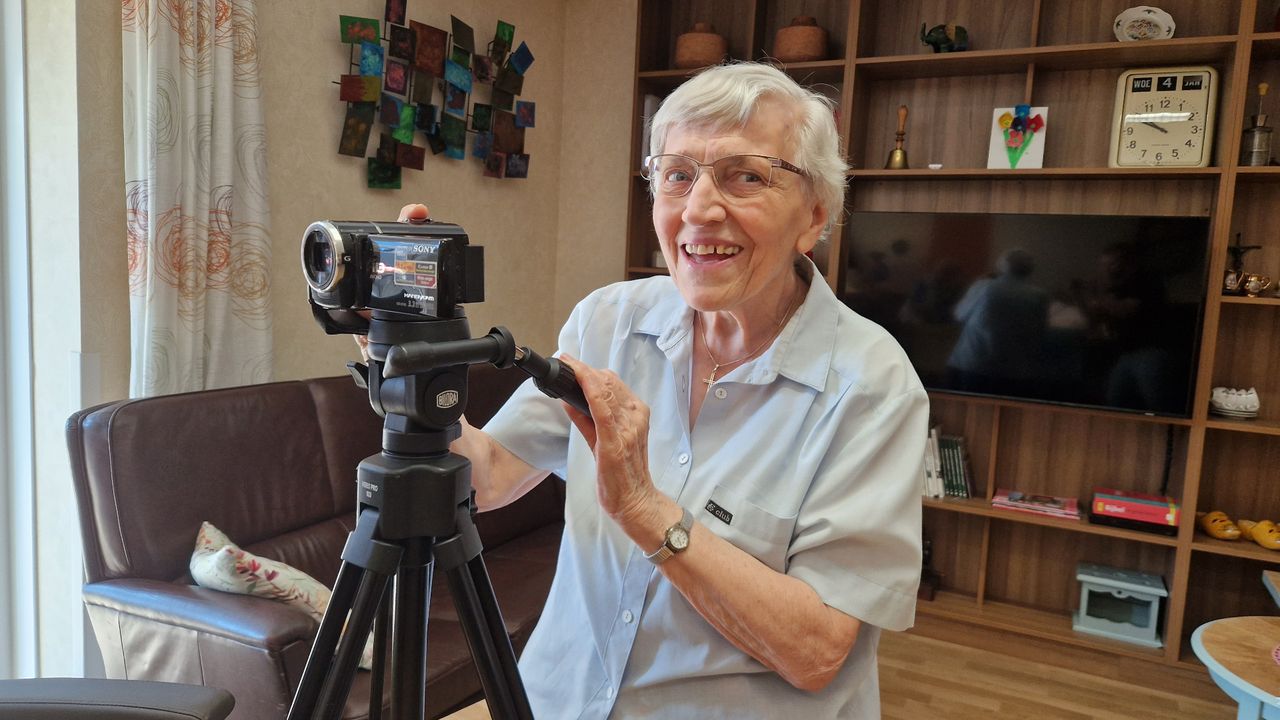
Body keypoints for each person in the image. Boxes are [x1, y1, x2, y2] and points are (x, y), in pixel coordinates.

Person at [382, 62, 928, 718]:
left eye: (746, 176)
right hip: (555, 702)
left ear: (814, 217)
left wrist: (645, 510)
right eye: (676, 175)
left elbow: (815, 651)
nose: (698, 209)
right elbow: (490, 477)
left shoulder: (872, 386)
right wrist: (402, 359)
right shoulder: (608, 322)